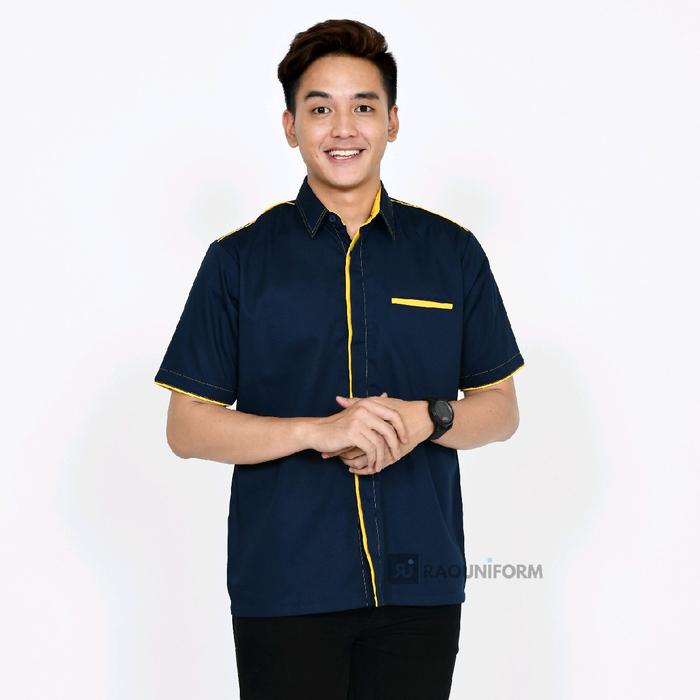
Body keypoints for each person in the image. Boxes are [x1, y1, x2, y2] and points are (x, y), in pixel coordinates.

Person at [153, 18, 525, 700]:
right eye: (320, 108)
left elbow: (501, 411)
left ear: (393, 122)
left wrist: (429, 417)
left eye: (364, 107)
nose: (343, 128)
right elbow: (187, 426)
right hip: (285, 586)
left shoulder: (451, 253)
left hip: (420, 587)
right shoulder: (239, 261)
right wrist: (315, 431)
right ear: (291, 126)